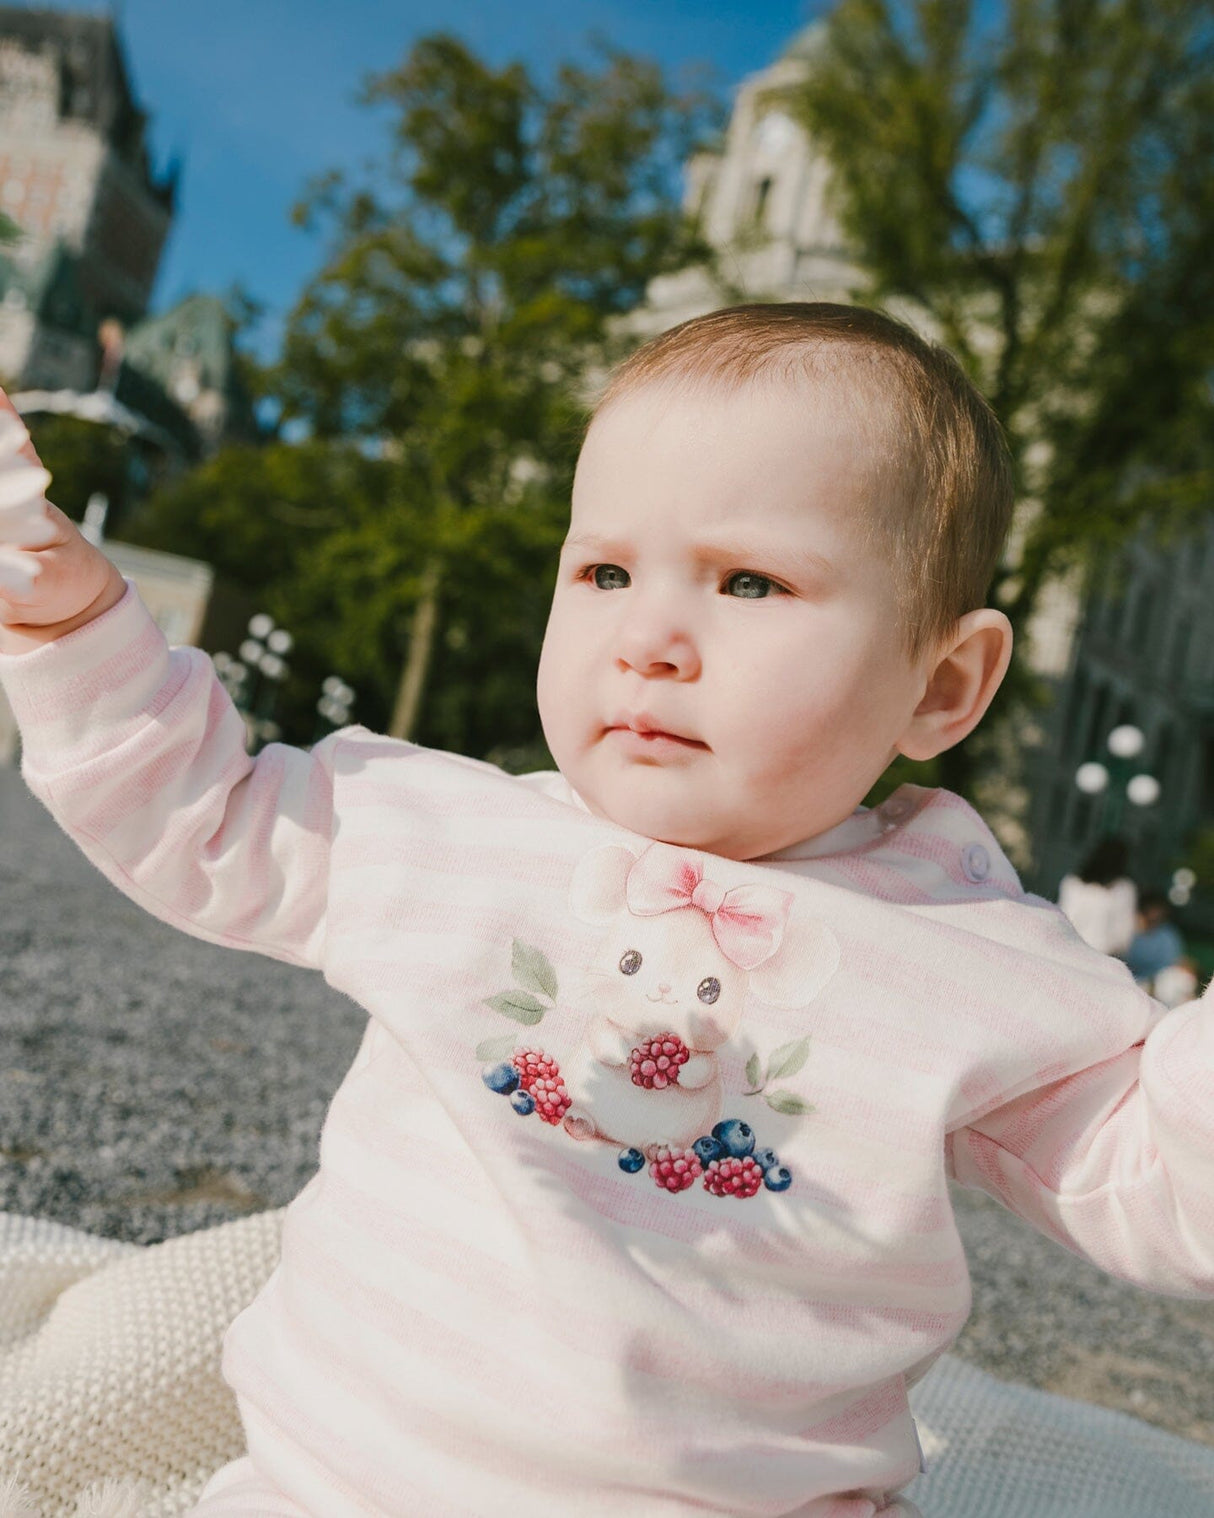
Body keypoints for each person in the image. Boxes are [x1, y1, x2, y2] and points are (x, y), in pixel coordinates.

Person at [2, 303, 1213, 1518]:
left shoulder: (964, 955)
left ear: (940, 686)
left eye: (749, 580)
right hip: (337, 1480)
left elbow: (1154, 1176)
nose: (646, 637)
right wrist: (75, 635)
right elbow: (208, 820)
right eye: (604, 571)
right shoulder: (453, 829)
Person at [1057, 836, 1137, 957]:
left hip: (1070, 951)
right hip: (1101, 957)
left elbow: (1063, 919)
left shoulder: (1072, 882)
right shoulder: (1124, 889)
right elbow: (1123, 936)